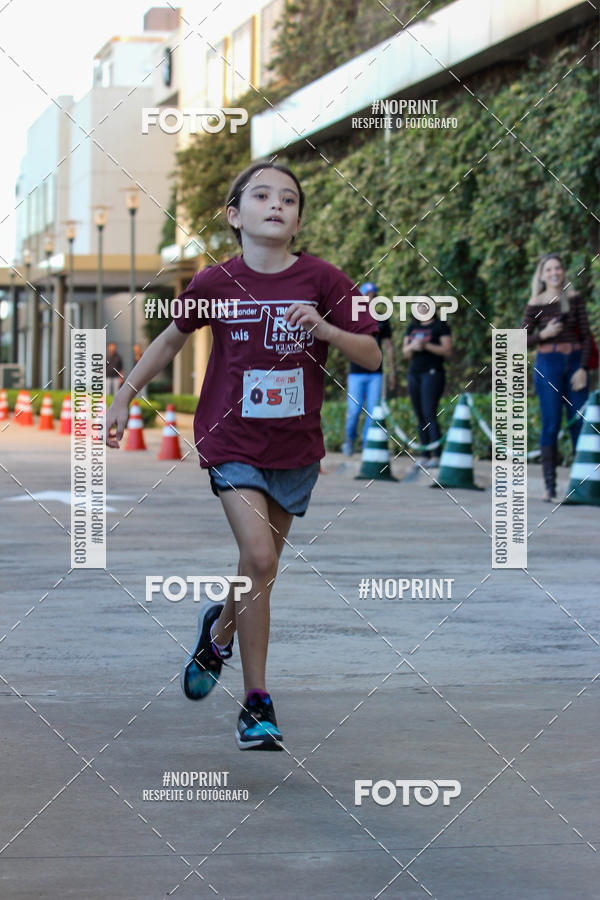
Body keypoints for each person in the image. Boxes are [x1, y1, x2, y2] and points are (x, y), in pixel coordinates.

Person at [105, 162, 381, 750]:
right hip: (231, 443)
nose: (276, 204)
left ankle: (217, 632)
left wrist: (328, 332)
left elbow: (373, 357)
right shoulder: (214, 283)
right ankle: (256, 704)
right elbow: (170, 338)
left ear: (298, 216)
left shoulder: (325, 281)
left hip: (296, 448)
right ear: (235, 215)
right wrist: (124, 395)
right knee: (258, 557)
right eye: (261, 196)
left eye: (288, 198)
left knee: (260, 569)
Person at [521, 253, 591, 501]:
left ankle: (582, 484)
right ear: (542, 274)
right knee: (551, 424)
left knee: (580, 423)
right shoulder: (536, 303)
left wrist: (583, 368)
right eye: (549, 269)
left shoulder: (573, 298)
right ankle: (550, 487)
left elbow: (586, 337)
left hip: (573, 363)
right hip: (547, 363)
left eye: (558, 268)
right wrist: (545, 333)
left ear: (563, 271)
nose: (554, 273)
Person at [342, 282, 395, 455]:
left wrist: (392, 371)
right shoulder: (353, 317)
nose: (369, 298)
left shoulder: (382, 318)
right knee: (354, 411)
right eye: (366, 294)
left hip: (376, 373)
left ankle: (366, 445)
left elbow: (388, 346)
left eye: (372, 295)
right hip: (356, 372)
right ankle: (349, 440)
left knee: (373, 411)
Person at [402, 299, 452, 468]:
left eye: (424, 305)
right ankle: (424, 454)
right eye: (418, 305)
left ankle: (437, 455)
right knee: (419, 414)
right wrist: (413, 347)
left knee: (429, 411)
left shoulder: (440, 326)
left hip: (433, 373)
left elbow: (447, 350)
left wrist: (426, 345)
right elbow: (405, 352)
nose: (421, 308)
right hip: (414, 373)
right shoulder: (412, 327)